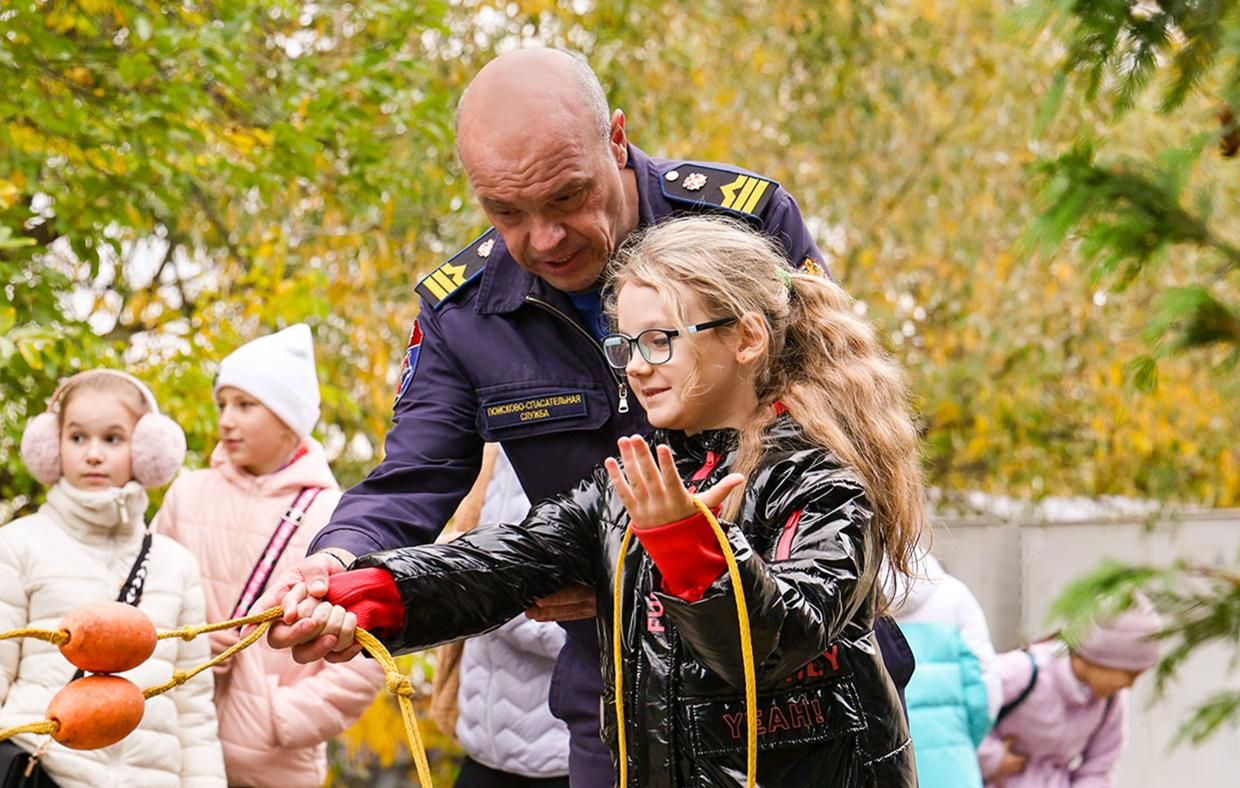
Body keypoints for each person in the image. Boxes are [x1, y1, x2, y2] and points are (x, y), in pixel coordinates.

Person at [274, 46, 908, 787]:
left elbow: (833, 416)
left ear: (615, 140)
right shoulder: (466, 309)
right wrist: (351, 580)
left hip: (809, 711)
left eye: (568, 197)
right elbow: (448, 513)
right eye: (506, 212)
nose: (543, 238)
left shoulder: (743, 223)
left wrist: (651, 558)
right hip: (626, 704)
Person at [0, 370, 224, 788]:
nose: (92, 455)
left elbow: (195, 712)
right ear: (52, 446)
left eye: (112, 438)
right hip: (41, 776)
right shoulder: (14, 547)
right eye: (77, 437)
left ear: (146, 450)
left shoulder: (176, 564)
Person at [153, 326, 380, 787]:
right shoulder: (187, 493)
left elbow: (366, 659)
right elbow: (143, 598)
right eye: (222, 405)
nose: (227, 421)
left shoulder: (338, 518)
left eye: (245, 405)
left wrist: (278, 717)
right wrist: (185, 646)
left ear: (287, 419)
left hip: (274, 770)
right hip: (170, 750)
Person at [444, 446, 570, 788]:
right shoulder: (494, 450)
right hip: (480, 745)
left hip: (558, 754)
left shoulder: (578, 456)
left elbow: (587, 624)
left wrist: (471, 591)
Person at [978, 600, 1162, 788]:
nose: (1130, 686)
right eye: (1129, 674)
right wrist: (991, 758)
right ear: (1102, 658)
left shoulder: (1109, 702)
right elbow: (953, 717)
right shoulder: (1023, 672)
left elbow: (1098, 768)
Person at [889, 550, 1000, 788]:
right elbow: (985, 695)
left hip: (884, 770)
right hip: (953, 769)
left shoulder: (849, 599)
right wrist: (961, 741)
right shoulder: (956, 597)